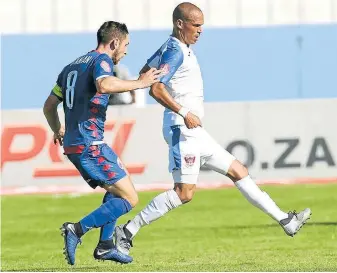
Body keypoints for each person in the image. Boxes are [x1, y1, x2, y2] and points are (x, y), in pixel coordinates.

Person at [113, 2, 311, 255]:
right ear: (179, 24)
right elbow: (155, 87)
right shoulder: (175, 51)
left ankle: (286, 221)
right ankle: (128, 231)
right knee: (184, 193)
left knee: (238, 170)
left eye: (202, 25)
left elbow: (145, 75)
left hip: (194, 131)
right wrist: (184, 112)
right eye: (196, 25)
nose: (200, 30)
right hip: (182, 129)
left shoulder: (173, 47)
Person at [42, 21, 162, 265]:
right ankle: (76, 229)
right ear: (115, 42)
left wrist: (58, 129)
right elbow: (104, 84)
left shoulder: (70, 67)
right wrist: (140, 83)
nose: (126, 51)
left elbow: (49, 106)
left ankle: (106, 245)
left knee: (118, 188)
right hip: (90, 144)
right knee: (130, 198)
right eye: (126, 45)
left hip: (81, 143)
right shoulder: (101, 61)